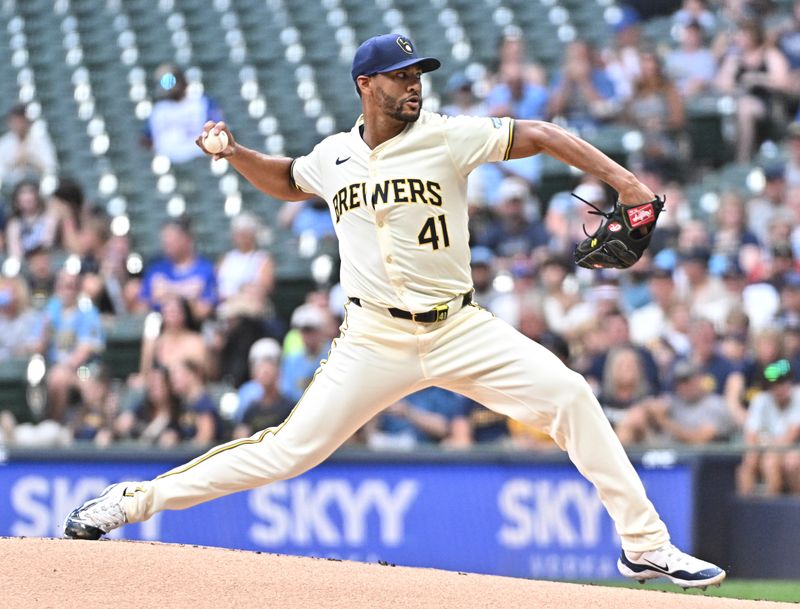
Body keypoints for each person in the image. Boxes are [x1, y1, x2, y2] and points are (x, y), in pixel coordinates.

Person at [64, 33, 724, 589]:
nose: (414, 85)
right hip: (372, 337)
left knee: (571, 395)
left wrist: (629, 185)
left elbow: (545, 133)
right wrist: (235, 154)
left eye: (418, 75)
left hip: (461, 326)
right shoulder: (335, 156)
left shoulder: (449, 137)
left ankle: (644, 544)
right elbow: (288, 178)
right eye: (399, 76)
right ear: (365, 85)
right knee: (285, 452)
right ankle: (131, 501)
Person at [737, 359, 800, 495]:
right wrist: (755, 455)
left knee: (784, 462)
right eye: (776, 384)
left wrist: (770, 451)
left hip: (791, 450)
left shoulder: (798, 396)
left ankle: (787, 509)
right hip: (766, 449)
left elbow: (792, 433)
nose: (781, 387)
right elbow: (751, 434)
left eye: (784, 382)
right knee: (748, 464)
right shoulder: (761, 400)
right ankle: (747, 511)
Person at [139, 216, 218, 321]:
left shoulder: (205, 269)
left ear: (187, 239)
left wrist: (166, 290)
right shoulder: (156, 269)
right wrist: (188, 293)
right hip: (161, 327)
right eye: (165, 239)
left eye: (172, 238)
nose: (167, 243)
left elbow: (203, 310)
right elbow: (142, 306)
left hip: (194, 328)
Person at [143, 64, 223, 164]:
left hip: (201, 159)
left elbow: (216, 128)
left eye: (170, 81)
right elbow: (147, 139)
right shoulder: (158, 110)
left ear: (181, 80)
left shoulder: (201, 102)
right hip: (167, 163)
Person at [232, 338, 293, 439]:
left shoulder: (289, 406)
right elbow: (240, 436)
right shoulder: (252, 409)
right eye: (261, 368)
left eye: (270, 367)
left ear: (278, 372)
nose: (265, 372)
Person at [0, 104, 58, 186]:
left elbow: (51, 168)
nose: (19, 125)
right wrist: (15, 163)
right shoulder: (4, 143)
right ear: (9, 123)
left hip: (37, 185)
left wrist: (30, 161)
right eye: (15, 122)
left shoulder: (40, 140)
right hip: (11, 188)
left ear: (27, 122)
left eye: (21, 121)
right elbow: (2, 172)